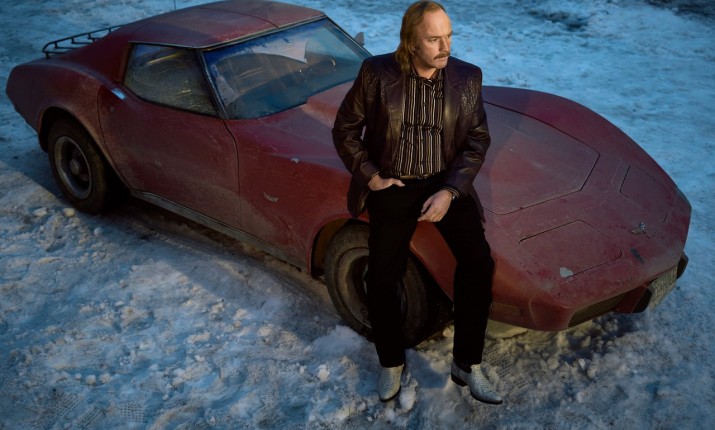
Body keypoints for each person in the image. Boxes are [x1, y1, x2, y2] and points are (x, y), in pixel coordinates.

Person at [332, 1, 503, 404]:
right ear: (411, 42)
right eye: (434, 39)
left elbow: (477, 141)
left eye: (449, 36)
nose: (445, 47)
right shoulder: (376, 73)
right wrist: (372, 177)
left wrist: (451, 191)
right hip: (393, 184)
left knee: (479, 264)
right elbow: (345, 129)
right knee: (382, 277)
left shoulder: (467, 78)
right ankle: (391, 361)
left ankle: (467, 364)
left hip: (445, 183)